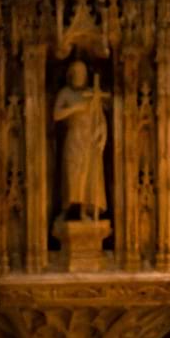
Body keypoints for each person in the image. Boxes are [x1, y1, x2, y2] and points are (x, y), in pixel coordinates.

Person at [53, 60, 108, 220]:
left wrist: (101, 133)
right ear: (70, 75)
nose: (80, 76)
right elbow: (56, 115)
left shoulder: (92, 93)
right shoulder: (66, 93)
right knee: (71, 175)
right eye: (76, 73)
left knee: (89, 177)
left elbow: (101, 117)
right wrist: (76, 108)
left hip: (89, 140)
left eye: (83, 73)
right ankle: (65, 210)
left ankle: (84, 211)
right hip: (74, 138)